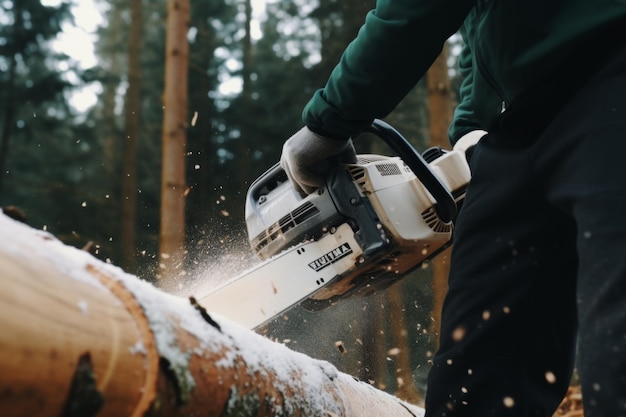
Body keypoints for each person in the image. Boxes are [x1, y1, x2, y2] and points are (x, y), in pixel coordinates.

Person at [279, 1, 626, 416]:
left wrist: (329, 119)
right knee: (477, 378)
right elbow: (483, 23)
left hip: (611, 68)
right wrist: (471, 130)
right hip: (514, 125)